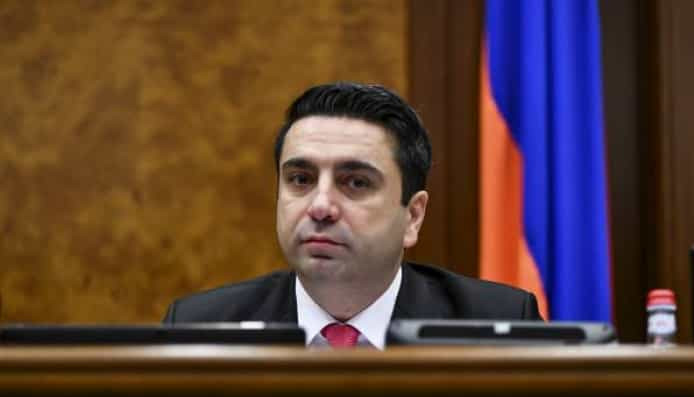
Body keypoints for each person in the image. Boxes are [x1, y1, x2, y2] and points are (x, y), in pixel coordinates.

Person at [163, 82, 542, 348]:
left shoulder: (496, 324)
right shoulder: (201, 328)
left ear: (413, 217)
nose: (320, 206)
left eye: (356, 183)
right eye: (301, 179)